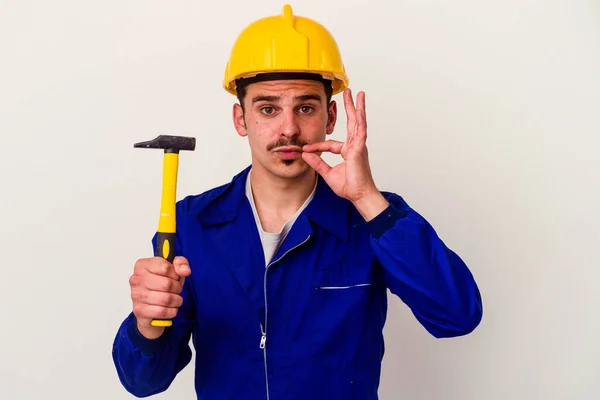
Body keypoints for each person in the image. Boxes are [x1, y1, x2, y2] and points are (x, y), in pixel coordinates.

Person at [112, 4, 483, 399]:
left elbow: (457, 315)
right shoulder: (192, 222)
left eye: (305, 107)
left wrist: (367, 198)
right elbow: (143, 382)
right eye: (268, 108)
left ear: (330, 116)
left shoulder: (372, 219)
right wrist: (147, 325)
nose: (288, 129)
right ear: (241, 119)